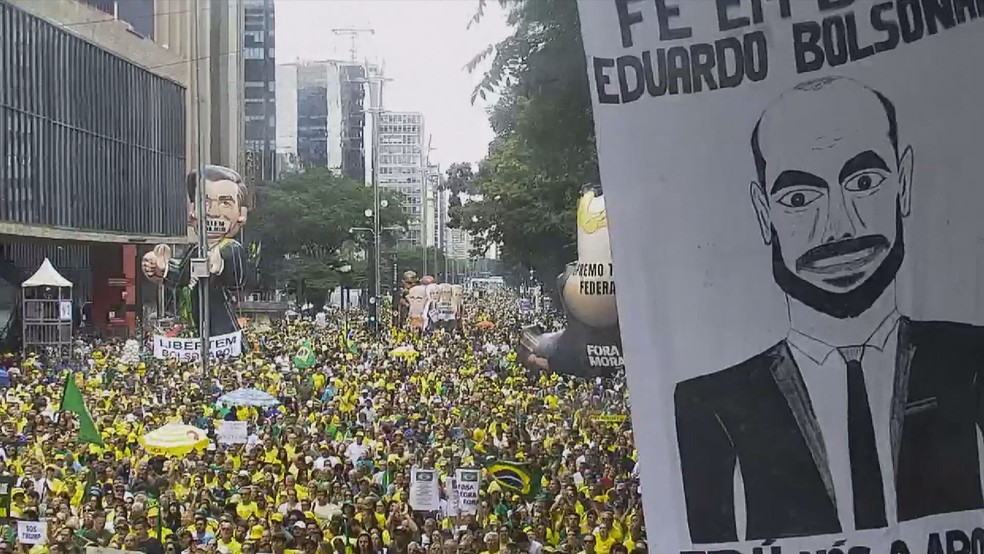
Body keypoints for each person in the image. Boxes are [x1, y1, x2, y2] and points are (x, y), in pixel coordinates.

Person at [674, 75, 984, 544]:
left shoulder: (971, 362)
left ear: (903, 182)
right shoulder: (709, 406)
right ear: (764, 213)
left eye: (863, 182)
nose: (839, 226)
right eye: (799, 198)